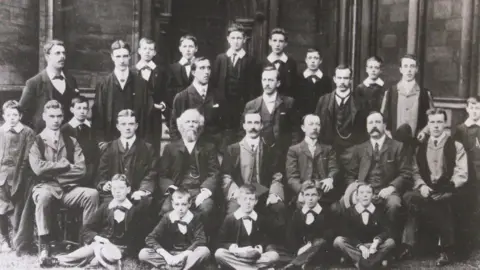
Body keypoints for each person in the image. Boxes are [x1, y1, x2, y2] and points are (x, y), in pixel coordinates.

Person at [28, 100, 99, 265]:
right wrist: (65, 164)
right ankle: (44, 244)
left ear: (63, 117)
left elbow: (81, 170)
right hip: (45, 187)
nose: (56, 120)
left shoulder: (71, 141)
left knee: (92, 194)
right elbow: (38, 168)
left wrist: (55, 176)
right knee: (44, 196)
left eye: (59, 116)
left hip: (67, 189)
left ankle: (87, 241)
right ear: (44, 117)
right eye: (51, 116)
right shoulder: (37, 140)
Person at [401, 109, 468, 266]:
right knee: (409, 198)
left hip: (447, 190)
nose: (436, 126)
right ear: (428, 125)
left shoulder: (456, 146)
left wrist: (449, 186)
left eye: (439, 122)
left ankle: (445, 250)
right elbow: (415, 172)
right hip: (427, 190)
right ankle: (408, 246)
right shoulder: (420, 148)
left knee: (443, 202)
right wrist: (422, 186)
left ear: (445, 124)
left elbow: (462, 172)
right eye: (432, 122)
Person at [50, 174, 149, 269]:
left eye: (121, 188)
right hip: (103, 244)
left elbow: (139, 236)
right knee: (93, 249)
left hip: (122, 249)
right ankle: (57, 260)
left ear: (128, 190)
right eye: (114, 188)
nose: (117, 191)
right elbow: (86, 229)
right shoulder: (106, 207)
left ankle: (68, 261)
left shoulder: (135, 209)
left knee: (96, 260)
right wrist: (99, 238)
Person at [344, 111, 411, 239]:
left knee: (394, 204)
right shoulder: (359, 148)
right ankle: (355, 242)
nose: (374, 125)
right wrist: (354, 192)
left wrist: (391, 188)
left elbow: (406, 173)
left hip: (387, 190)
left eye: (377, 122)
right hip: (363, 191)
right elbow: (350, 175)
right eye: (371, 123)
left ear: (384, 125)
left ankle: (390, 243)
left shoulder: (397, 146)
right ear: (367, 127)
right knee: (344, 202)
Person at [221, 112, 285, 240]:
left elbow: (277, 175)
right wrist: (235, 192)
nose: (253, 126)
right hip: (240, 191)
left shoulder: (270, 150)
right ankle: (234, 246)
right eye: (249, 123)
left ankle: (271, 246)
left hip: (263, 192)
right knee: (233, 212)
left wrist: (274, 193)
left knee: (279, 208)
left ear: (261, 126)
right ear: (244, 126)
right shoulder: (232, 149)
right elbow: (226, 175)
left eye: (256, 123)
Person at [159, 109, 219, 235]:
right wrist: (173, 190)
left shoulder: (209, 147)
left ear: (200, 126)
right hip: (178, 190)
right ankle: (174, 242)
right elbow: (163, 175)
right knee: (166, 209)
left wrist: (204, 193)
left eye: (194, 122)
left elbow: (214, 173)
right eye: (187, 122)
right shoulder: (170, 148)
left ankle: (201, 241)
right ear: (181, 126)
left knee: (206, 208)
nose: (191, 125)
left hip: (199, 190)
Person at [314, 65, 367, 192]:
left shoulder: (361, 102)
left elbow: (365, 132)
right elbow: (316, 127)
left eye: (345, 78)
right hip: (329, 153)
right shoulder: (324, 101)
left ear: (351, 80)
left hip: (352, 154)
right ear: (334, 79)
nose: (342, 82)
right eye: (339, 78)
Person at [92, 40, 150, 143]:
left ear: (129, 57)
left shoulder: (141, 83)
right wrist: (101, 142)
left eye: (125, 56)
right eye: (118, 56)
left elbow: (145, 114)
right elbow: (98, 115)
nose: (122, 61)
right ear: (112, 57)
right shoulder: (103, 84)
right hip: (110, 140)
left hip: (136, 142)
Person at [211, 23, 259, 147]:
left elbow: (254, 85)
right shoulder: (221, 59)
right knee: (225, 138)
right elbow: (214, 83)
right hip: (224, 105)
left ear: (244, 40)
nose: (236, 41)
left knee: (240, 135)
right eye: (233, 38)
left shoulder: (250, 60)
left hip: (242, 105)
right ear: (228, 39)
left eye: (239, 38)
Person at [243, 66, 300, 170]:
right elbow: (243, 132)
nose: (267, 83)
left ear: (278, 83)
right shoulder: (251, 105)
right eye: (264, 80)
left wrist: (292, 152)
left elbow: (295, 131)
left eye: (271, 80)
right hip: (259, 155)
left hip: (283, 155)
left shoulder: (288, 103)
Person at [139, 188, 211, 270]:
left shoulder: (195, 217)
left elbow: (201, 240)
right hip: (170, 253)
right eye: (177, 204)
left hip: (187, 254)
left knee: (204, 251)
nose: (180, 209)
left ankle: (169, 268)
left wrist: (181, 256)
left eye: (183, 204)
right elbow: (150, 238)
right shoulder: (167, 217)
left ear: (189, 204)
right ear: (172, 204)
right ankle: (180, 267)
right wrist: (166, 255)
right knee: (143, 254)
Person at [96, 109, 157, 203]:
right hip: (113, 195)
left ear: (136, 126)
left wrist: (142, 190)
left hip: (137, 195)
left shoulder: (147, 149)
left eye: (131, 124)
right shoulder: (109, 148)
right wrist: (105, 184)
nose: (127, 128)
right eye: (123, 124)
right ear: (118, 126)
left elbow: (151, 174)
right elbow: (102, 173)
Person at [19, 39, 80, 132]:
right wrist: (36, 131)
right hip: (43, 139)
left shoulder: (71, 81)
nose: (62, 56)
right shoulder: (34, 83)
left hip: (69, 137)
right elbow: (22, 113)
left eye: (64, 53)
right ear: (47, 56)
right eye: (57, 53)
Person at [215, 184, 280, 270]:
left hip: (256, 258)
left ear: (256, 201)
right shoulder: (230, 219)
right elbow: (220, 242)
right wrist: (234, 248)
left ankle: (242, 268)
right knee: (219, 254)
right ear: (238, 200)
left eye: (251, 199)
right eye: (244, 199)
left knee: (275, 255)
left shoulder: (261, 219)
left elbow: (267, 239)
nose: (248, 202)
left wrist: (260, 247)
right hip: (237, 255)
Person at [334, 183, 395, 269]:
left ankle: (358, 262)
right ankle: (374, 262)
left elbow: (386, 230)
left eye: (368, 192)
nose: (365, 195)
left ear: (373, 195)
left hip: (373, 247)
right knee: (338, 241)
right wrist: (360, 246)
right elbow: (347, 232)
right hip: (356, 247)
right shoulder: (349, 211)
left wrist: (376, 242)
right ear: (357, 196)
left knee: (390, 242)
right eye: (361, 193)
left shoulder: (379, 210)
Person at [0, 101, 35, 251]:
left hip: (20, 176)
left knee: (18, 208)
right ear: (3, 116)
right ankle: (3, 240)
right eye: (8, 115)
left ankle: (18, 240)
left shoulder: (27, 132)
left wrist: (20, 179)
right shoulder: (1, 132)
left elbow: (27, 158)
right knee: (1, 207)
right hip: (2, 175)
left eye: (15, 114)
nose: (12, 118)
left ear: (20, 115)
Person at [286, 114, 339, 208]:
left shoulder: (328, 149)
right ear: (303, 128)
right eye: (311, 124)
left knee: (335, 208)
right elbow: (292, 178)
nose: (315, 127)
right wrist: (302, 191)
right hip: (303, 193)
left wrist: (330, 178)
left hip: (324, 193)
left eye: (317, 124)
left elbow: (333, 168)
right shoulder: (294, 150)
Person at [169, 57, 223, 148]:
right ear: (193, 72)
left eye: (208, 68)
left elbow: (225, 125)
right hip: (190, 149)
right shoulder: (182, 97)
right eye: (202, 68)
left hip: (214, 149)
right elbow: (174, 127)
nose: (206, 72)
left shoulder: (217, 95)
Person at [381, 54, 434, 145]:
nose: (409, 70)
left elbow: (432, 118)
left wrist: (424, 132)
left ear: (416, 69)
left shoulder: (424, 93)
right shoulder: (391, 92)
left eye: (412, 66)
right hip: (394, 143)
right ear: (400, 69)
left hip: (416, 142)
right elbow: (382, 118)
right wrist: (387, 133)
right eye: (405, 66)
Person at [282, 181, 334, 269]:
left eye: (313, 195)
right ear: (303, 196)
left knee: (321, 242)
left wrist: (310, 244)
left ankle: (295, 264)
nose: (310, 198)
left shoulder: (326, 213)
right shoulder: (297, 214)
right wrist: (298, 249)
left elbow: (329, 235)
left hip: (320, 250)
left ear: (319, 196)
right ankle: (303, 263)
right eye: (307, 195)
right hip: (301, 249)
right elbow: (291, 235)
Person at [451, 96, 480, 255]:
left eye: (478, 108)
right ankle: (467, 242)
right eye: (473, 107)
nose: (475, 111)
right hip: (466, 174)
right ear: (467, 109)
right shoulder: (460, 129)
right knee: (467, 207)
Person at [135, 37, 170, 152]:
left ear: (154, 53)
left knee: (153, 143)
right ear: (139, 50)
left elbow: (165, 90)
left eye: (150, 49)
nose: (147, 52)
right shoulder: (133, 71)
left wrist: (163, 103)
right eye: (145, 48)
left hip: (154, 114)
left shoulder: (160, 72)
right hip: (137, 112)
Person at [61, 96, 99, 188]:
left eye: (85, 108)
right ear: (72, 109)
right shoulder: (65, 129)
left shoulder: (91, 127)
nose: (82, 111)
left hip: (91, 168)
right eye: (79, 108)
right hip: (75, 170)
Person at [296, 49, 333, 116]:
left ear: (320, 61)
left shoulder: (326, 80)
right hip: (303, 118)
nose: (312, 61)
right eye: (310, 58)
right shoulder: (298, 79)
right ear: (306, 60)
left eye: (316, 58)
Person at [263, 28, 297, 97]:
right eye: (274, 41)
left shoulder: (291, 63)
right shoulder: (263, 63)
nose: (277, 44)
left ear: (285, 44)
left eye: (281, 41)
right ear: (270, 42)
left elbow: (293, 88)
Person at [355, 56, 387, 127]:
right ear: (366, 69)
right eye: (371, 67)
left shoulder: (385, 88)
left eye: (376, 68)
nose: (373, 70)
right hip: (364, 124)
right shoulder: (360, 89)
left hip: (380, 124)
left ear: (381, 70)